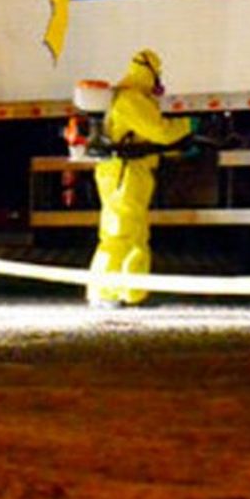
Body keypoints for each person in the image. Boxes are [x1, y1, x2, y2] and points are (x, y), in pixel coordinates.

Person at [89, 49, 193, 309]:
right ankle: (104, 293)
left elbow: (147, 138)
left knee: (135, 234)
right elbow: (159, 131)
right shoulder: (131, 99)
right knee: (119, 232)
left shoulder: (132, 99)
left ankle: (131, 292)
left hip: (131, 171)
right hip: (124, 173)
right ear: (151, 73)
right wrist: (188, 126)